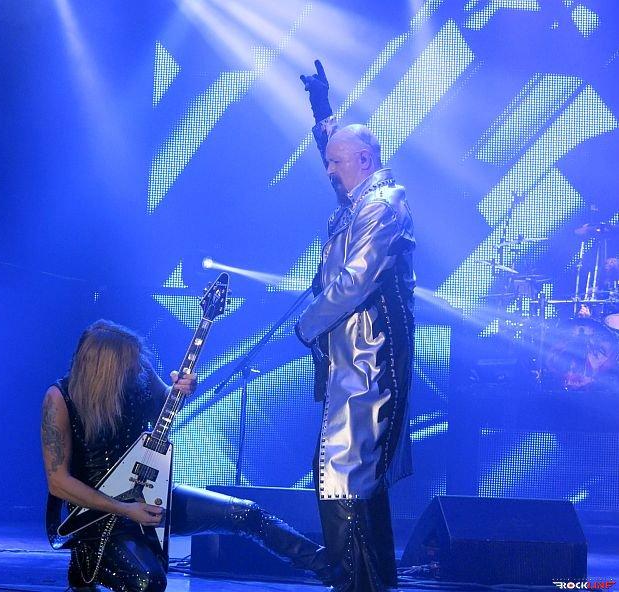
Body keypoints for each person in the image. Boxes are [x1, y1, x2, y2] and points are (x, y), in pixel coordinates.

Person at [41, 319, 337, 592]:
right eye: (128, 365)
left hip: (150, 495)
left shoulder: (138, 370)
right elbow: (58, 482)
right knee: (148, 582)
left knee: (246, 513)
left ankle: (333, 570)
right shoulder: (59, 398)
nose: (136, 368)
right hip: (97, 515)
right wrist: (125, 509)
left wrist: (182, 389)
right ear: (106, 367)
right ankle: (86, 559)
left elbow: (166, 407)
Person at [295, 60, 416, 592]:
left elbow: (355, 281)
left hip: (372, 359)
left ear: (365, 160)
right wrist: (322, 109)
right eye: (327, 161)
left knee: (345, 472)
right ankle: (367, 583)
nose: (328, 170)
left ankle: (356, 584)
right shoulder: (359, 200)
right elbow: (337, 147)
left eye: (336, 162)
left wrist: (306, 326)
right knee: (349, 473)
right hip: (351, 358)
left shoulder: (384, 204)